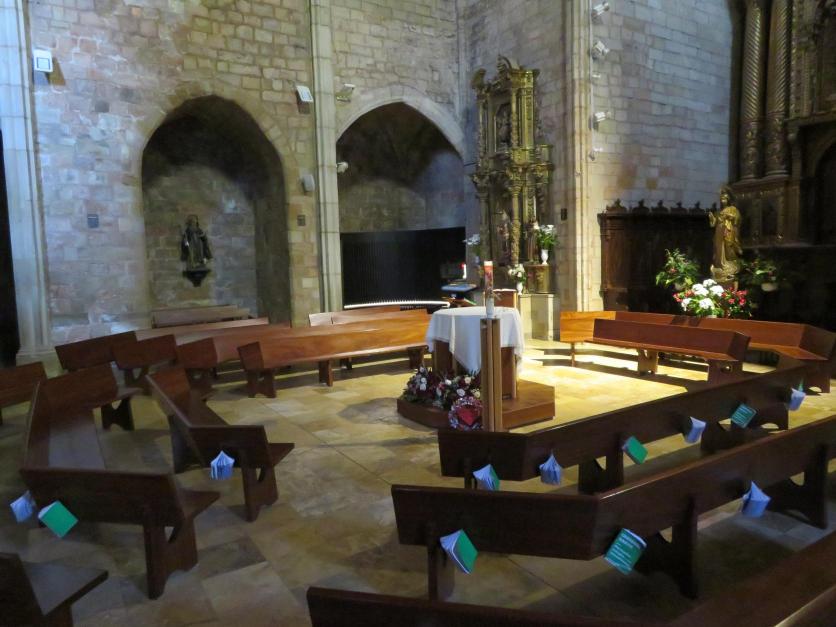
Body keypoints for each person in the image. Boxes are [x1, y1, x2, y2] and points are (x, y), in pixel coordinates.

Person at [708, 186, 742, 283]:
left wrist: (729, 216)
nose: (723, 201)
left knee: (728, 246)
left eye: (725, 199)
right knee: (718, 248)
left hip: (728, 231)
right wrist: (712, 218)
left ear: (728, 199)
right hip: (719, 231)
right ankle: (719, 265)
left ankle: (729, 265)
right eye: (722, 199)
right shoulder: (718, 211)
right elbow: (713, 224)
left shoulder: (733, 209)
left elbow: (737, 219)